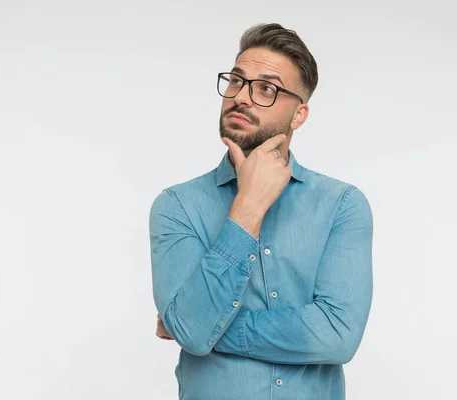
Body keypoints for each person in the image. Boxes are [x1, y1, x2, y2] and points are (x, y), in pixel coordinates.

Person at [149, 22, 373, 400]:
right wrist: (247, 210)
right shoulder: (176, 206)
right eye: (236, 81)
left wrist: (209, 328)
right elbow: (191, 330)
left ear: (299, 115)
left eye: (266, 89)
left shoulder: (342, 205)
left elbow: (338, 336)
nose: (241, 97)